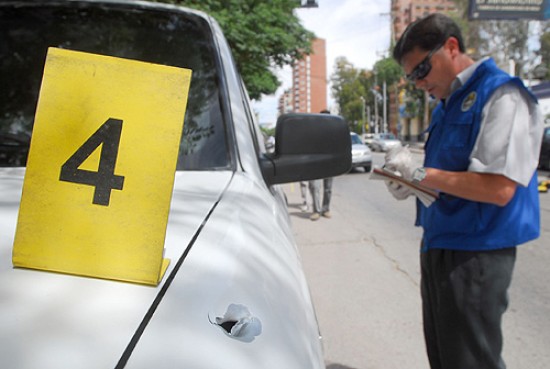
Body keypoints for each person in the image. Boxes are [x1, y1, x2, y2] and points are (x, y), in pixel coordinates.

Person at [385, 13, 544, 369]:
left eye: (421, 70)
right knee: (444, 358)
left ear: (451, 47)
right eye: (411, 76)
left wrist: (421, 172)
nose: (418, 82)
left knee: (471, 361)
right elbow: (447, 175)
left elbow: (498, 187)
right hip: (441, 244)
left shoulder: (502, 95)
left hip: (477, 255)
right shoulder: (447, 105)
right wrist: (409, 180)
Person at [309, 109, 334, 221]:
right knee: (315, 187)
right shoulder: (315, 131)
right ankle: (316, 211)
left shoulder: (334, 131)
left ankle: (326, 209)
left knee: (328, 188)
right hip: (317, 164)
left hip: (329, 164)